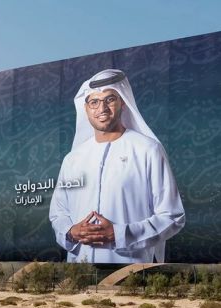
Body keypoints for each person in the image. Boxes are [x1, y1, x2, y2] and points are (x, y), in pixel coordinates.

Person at [49, 69, 185, 263]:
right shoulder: (72, 159)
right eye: (94, 102)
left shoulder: (148, 150)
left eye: (110, 99)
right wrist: (71, 231)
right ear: (85, 108)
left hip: (131, 269)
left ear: (123, 102)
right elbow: (58, 213)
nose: (102, 108)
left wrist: (120, 234)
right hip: (79, 269)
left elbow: (172, 216)